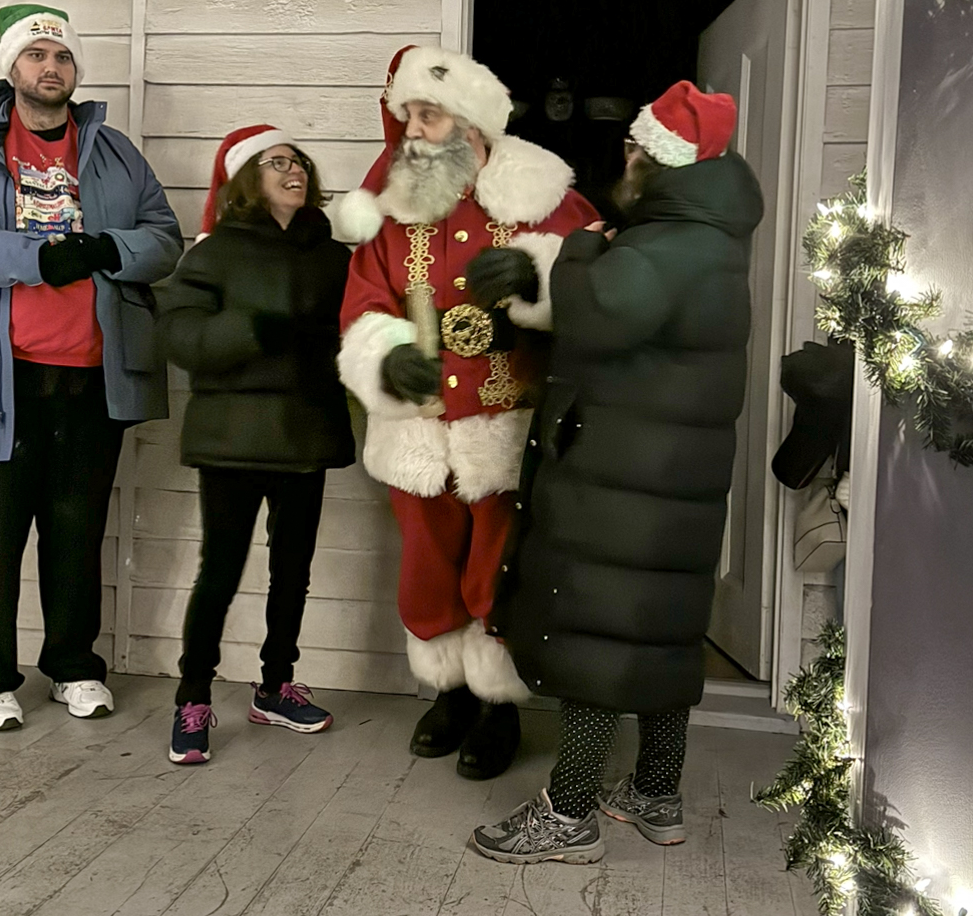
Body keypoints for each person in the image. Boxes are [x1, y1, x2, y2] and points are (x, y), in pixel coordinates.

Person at [470, 80, 763, 863]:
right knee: (661, 631)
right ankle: (656, 793)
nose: (625, 159)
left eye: (636, 149)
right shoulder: (709, 236)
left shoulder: (668, 243)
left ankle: (566, 815)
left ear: (662, 161)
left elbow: (599, 318)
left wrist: (582, 250)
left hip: (627, 472)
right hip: (670, 474)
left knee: (597, 632)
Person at [0, 4, 183, 732]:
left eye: (61, 55)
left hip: (94, 378)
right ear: (10, 68)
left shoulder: (113, 151)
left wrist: (107, 249)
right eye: (35, 55)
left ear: (75, 70)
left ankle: (73, 666)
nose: (49, 67)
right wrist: (43, 256)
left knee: (76, 531)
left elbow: (163, 238)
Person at [336, 46, 596, 780]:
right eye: (408, 115)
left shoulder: (544, 197)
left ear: (474, 125)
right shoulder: (393, 210)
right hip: (415, 426)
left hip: (504, 424)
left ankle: (498, 705)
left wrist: (539, 279)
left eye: (429, 113)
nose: (413, 130)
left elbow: (598, 275)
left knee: (498, 568)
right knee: (425, 567)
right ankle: (446, 690)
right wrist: (383, 355)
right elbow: (365, 299)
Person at [158, 125, 355, 765]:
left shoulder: (334, 256)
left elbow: (361, 329)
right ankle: (193, 697)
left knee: (292, 571)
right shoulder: (213, 253)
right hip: (231, 439)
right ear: (247, 178)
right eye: (277, 162)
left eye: (299, 160)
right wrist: (251, 329)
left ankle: (275, 686)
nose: (293, 169)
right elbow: (181, 336)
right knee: (219, 571)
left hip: (306, 432)